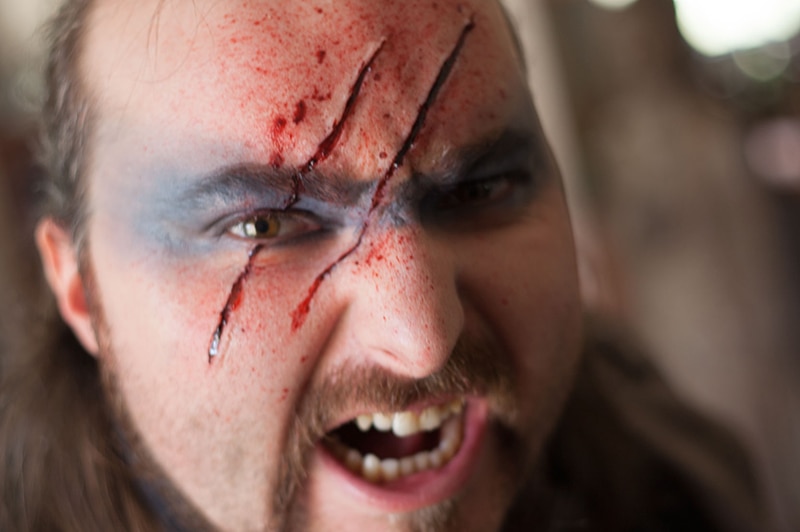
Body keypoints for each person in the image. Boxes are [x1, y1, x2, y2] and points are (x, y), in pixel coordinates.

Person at [0, 0, 763, 530]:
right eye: (265, 224)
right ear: (82, 288)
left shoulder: (674, 474)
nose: (423, 337)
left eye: (479, 188)